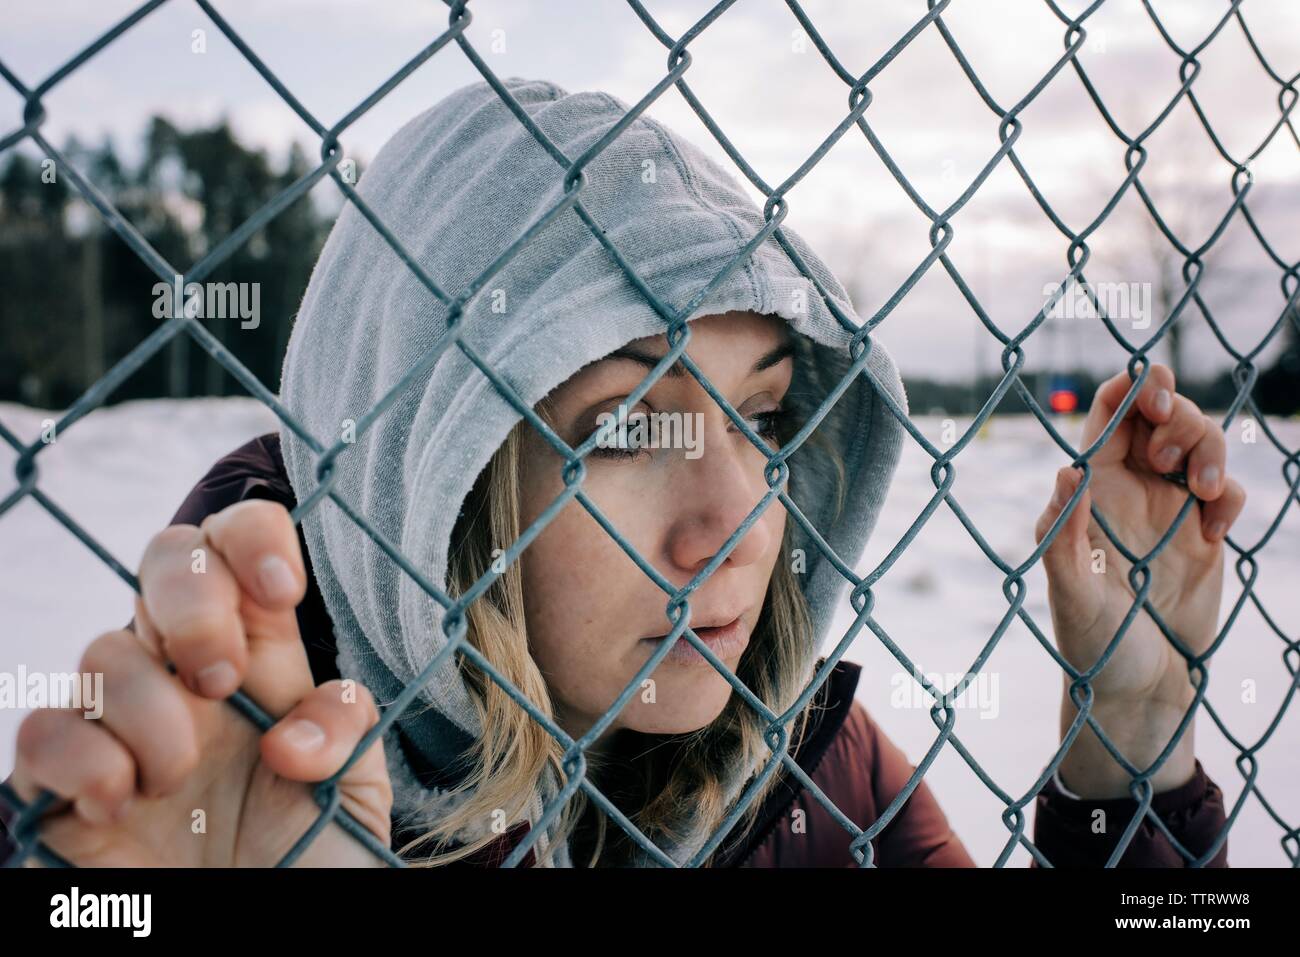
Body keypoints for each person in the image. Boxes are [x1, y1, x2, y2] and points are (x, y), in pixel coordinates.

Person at [1, 78, 1242, 867]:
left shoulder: (811, 764)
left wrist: (1130, 743)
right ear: (423, 474)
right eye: (622, 429)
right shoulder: (221, 810)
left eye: (763, 417)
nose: (736, 524)